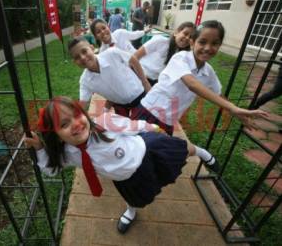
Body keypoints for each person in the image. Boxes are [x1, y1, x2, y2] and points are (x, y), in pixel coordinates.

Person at [25, 96, 222, 234]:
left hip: (147, 151)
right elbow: (51, 170)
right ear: (57, 136)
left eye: (77, 115)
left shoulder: (105, 122)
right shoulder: (69, 153)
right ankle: (132, 211)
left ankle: (203, 152)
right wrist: (40, 148)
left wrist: (153, 128)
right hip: (126, 178)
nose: (76, 124)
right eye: (65, 124)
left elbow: (133, 126)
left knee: (182, 149)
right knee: (135, 196)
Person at [131, 20, 268, 135]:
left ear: (220, 45)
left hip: (168, 120)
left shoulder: (208, 72)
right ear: (192, 42)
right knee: (136, 154)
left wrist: (237, 113)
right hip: (149, 112)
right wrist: (232, 108)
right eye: (202, 42)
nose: (208, 48)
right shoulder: (180, 58)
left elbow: (219, 94)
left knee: (152, 158)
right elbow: (192, 84)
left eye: (214, 43)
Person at [68, 36, 151, 117]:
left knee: (152, 125)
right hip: (120, 106)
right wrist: (73, 117)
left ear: (92, 48)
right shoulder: (85, 81)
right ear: (75, 62)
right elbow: (82, 103)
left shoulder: (111, 54)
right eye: (77, 57)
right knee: (127, 129)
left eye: (84, 51)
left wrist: (145, 82)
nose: (82, 57)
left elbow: (132, 59)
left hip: (141, 96)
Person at [134, 21, 195, 86]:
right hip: (138, 76)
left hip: (153, 83)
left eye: (191, 37)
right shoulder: (161, 41)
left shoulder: (181, 56)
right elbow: (135, 56)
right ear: (176, 33)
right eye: (185, 34)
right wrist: (142, 78)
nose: (187, 38)